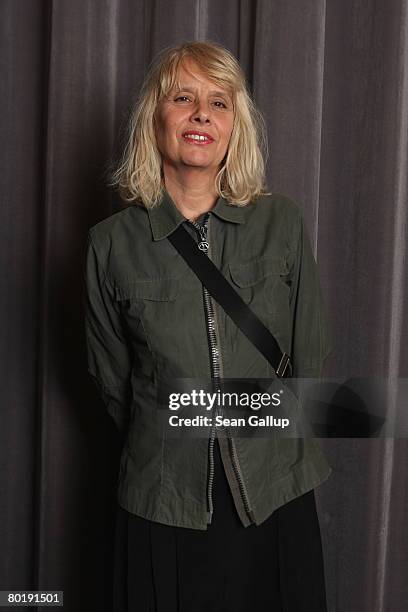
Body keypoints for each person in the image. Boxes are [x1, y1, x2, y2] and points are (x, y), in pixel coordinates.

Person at [83, 40, 333, 612]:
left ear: (233, 127)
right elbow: (114, 383)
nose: (202, 113)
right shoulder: (109, 245)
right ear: (156, 117)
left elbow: (310, 354)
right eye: (184, 97)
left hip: (274, 490)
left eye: (220, 102)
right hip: (163, 497)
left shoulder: (282, 222)